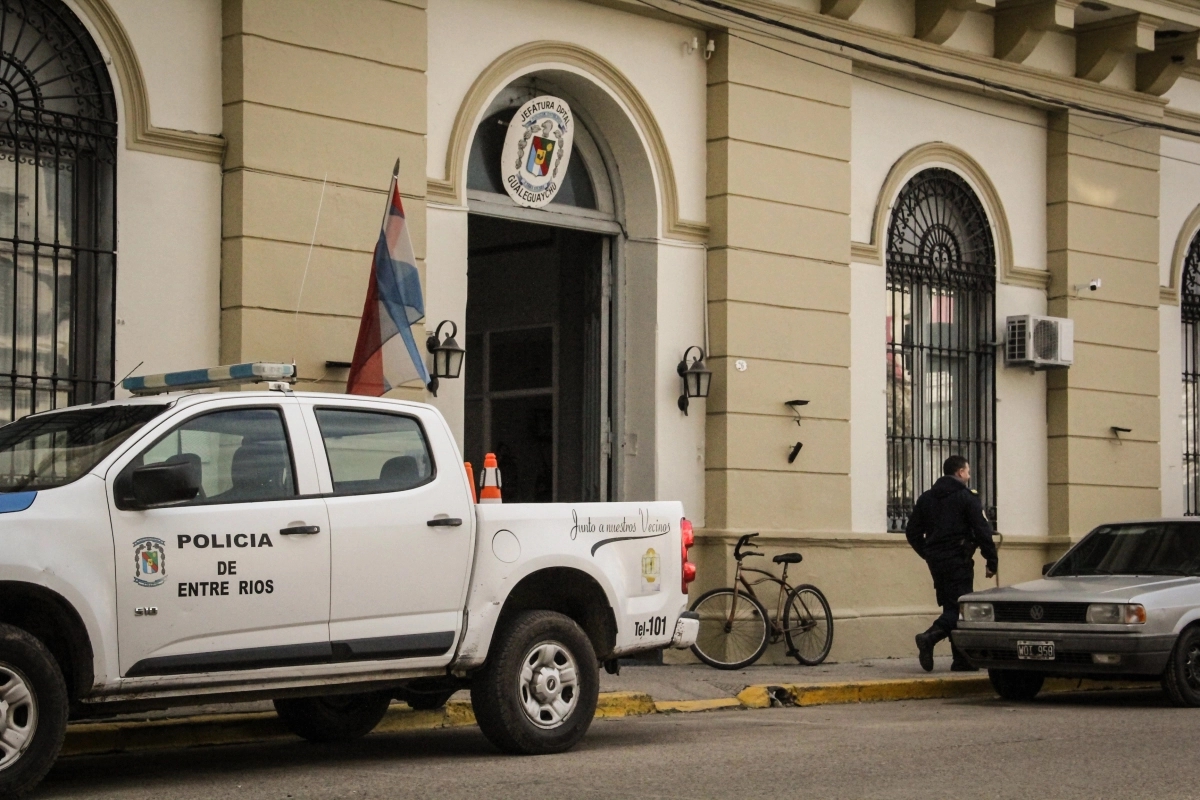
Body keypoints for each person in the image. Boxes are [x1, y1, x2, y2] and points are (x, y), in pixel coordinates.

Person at [905, 455, 998, 672]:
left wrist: (927, 553)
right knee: (959, 608)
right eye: (967, 470)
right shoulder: (966, 497)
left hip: (937, 562)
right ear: (959, 472)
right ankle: (929, 637)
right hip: (959, 559)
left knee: (951, 604)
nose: (969, 474)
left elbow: (912, 532)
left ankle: (961, 660)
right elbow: (983, 531)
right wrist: (991, 561)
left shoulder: (927, 498)